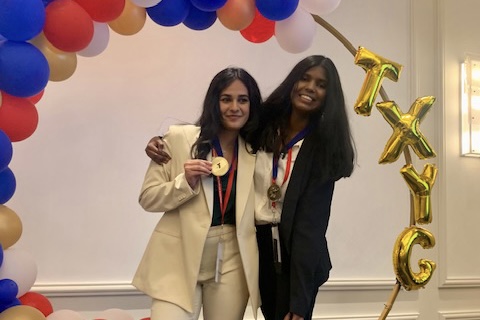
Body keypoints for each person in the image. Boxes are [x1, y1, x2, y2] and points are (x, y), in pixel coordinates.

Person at [144, 55, 356, 320]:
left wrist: (299, 300)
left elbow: (310, 229)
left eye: (321, 84)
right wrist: (160, 142)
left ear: (329, 95)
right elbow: (213, 130)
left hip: (287, 255)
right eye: (304, 78)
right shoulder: (261, 129)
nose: (311, 87)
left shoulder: (322, 148)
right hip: (244, 248)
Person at [133, 67, 262, 320]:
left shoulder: (257, 150)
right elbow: (148, 197)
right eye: (226, 99)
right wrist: (186, 182)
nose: (234, 107)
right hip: (177, 257)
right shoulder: (179, 138)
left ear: (252, 105)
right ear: (214, 102)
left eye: (243, 100)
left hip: (232, 260)